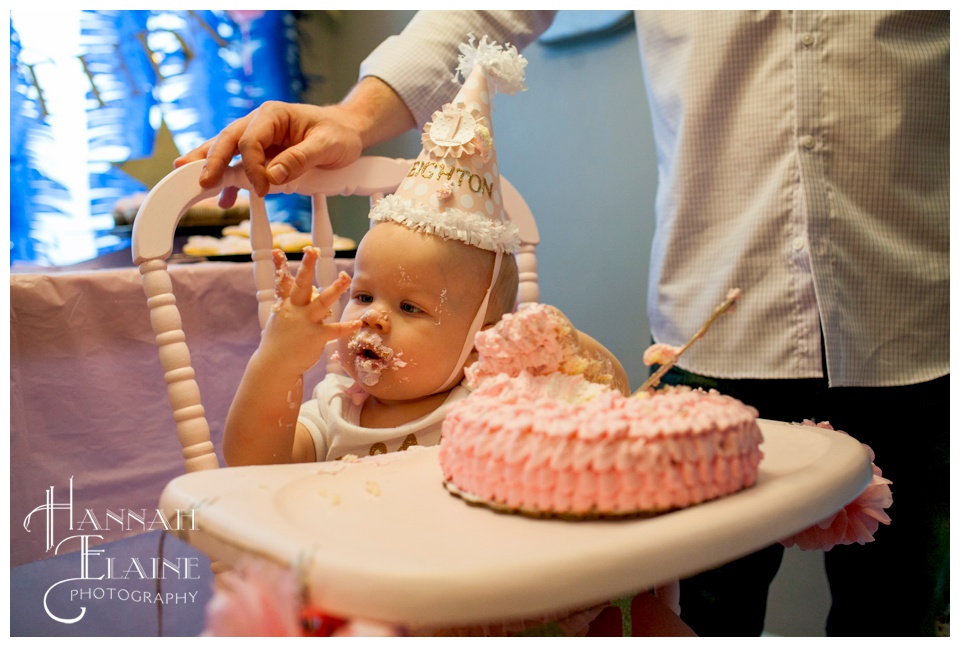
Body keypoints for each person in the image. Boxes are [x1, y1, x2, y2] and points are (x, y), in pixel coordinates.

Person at [178, 11, 949, 636]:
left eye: (411, 306)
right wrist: (283, 355)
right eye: (365, 296)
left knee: (900, 608)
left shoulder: (508, 412)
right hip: (723, 315)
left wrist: (584, 366)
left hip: (912, 315)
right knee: (715, 607)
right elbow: (252, 471)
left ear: (488, 331)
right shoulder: (337, 413)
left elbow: (603, 431)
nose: (373, 320)